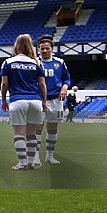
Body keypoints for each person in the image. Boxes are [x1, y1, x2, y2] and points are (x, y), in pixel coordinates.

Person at [0, 34, 48, 170]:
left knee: (19, 133)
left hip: (17, 100)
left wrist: (4, 100)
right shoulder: (36, 63)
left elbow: (4, 84)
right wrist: (44, 102)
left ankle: (22, 163)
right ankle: (32, 162)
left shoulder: (8, 62)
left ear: (16, 45)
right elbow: (42, 85)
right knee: (31, 134)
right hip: (35, 101)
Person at [36, 35, 71, 165]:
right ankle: (35, 157)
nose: (44, 51)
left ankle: (50, 156)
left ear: (52, 49)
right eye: (42, 49)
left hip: (56, 100)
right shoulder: (34, 62)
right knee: (37, 129)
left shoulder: (59, 62)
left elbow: (67, 78)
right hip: (38, 100)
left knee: (52, 128)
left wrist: (65, 87)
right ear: (38, 49)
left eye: (47, 48)